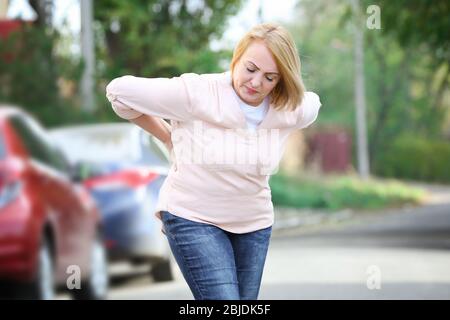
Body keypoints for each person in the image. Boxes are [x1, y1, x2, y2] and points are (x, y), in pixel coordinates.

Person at [106, 23, 321, 300]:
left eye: (270, 77)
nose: (256, 83)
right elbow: (119, 93)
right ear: (237, 58)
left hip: (253, 224)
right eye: (250, 69)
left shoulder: (287, 109)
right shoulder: (198, 92)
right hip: (193, 217)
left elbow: (312, 105)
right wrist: (168, 137)